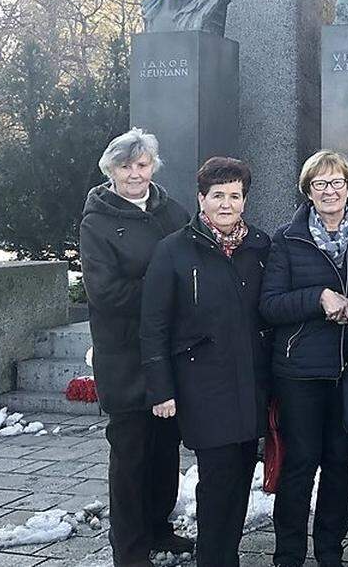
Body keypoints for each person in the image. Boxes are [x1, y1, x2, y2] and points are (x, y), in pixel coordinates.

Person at [139, 157, 270, 567]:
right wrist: (161, 388)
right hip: (203, 385)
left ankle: (226, 554)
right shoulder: (174, 250)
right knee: (216, 483)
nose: (226, 204)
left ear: (245, 201)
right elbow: (154, 325)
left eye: (235, 195)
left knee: (241, 482)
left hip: (250, 383)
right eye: (218, 195)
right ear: (201, 198)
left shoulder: (260, 247)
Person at [79, 128, 193, 567]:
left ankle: (159, 527)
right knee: (130, 455)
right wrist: (164, 295)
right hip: (125, 356)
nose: (134, 174)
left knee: (166, 448)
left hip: (169, 355)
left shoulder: (172, 211)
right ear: (111, 170)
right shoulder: (97, 222)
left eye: (142, 165)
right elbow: (105, 292)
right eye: (125, 166)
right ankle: (129, 549)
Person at [259, 151, 348, 567]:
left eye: (337, 183)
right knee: (300, 464)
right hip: (300, 371)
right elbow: (270, 305)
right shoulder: (287, 238)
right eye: (319, 184)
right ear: (307, 191)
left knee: (341, 466)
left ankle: (330, 553)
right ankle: (288, 555)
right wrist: (318, 297)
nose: (329, 192)